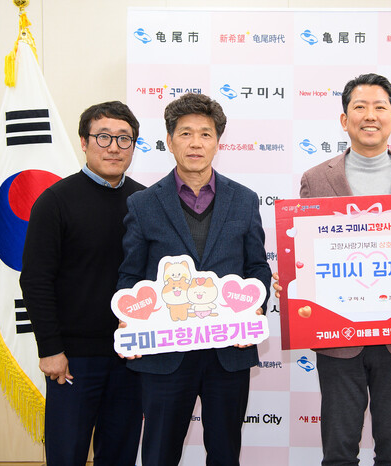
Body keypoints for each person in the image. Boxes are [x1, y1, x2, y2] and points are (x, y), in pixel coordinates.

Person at [276, 73, 391, 466]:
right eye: (359, 107)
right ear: (344, 120)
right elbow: (305, 246)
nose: (370, 115)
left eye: (380, 107)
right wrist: (294, 279)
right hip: (336, 335)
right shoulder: (315, 179)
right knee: (338, 451)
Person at [117, 92, 272, 465]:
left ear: (218, 142)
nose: (196, 143)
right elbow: (131, 273)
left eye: (205, 134)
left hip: (228, 353)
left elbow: (257, 268)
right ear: (170, 142)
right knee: (159, 453)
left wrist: (254, 309)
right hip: (164, 354)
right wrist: (128, 317)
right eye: (185, 133)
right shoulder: (143, 203)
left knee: (224, 453)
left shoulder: (244, 200)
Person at [20, 101, 145, 465]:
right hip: (72, 359)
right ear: (84, 142)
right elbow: (36, 280)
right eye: (103, 137)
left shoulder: (146, 202)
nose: (113, 147)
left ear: (134, 146)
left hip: (131, 355)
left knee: (120, 456)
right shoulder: (55, 201)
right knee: (66, 455)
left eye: (124, 139)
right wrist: (50, 348)